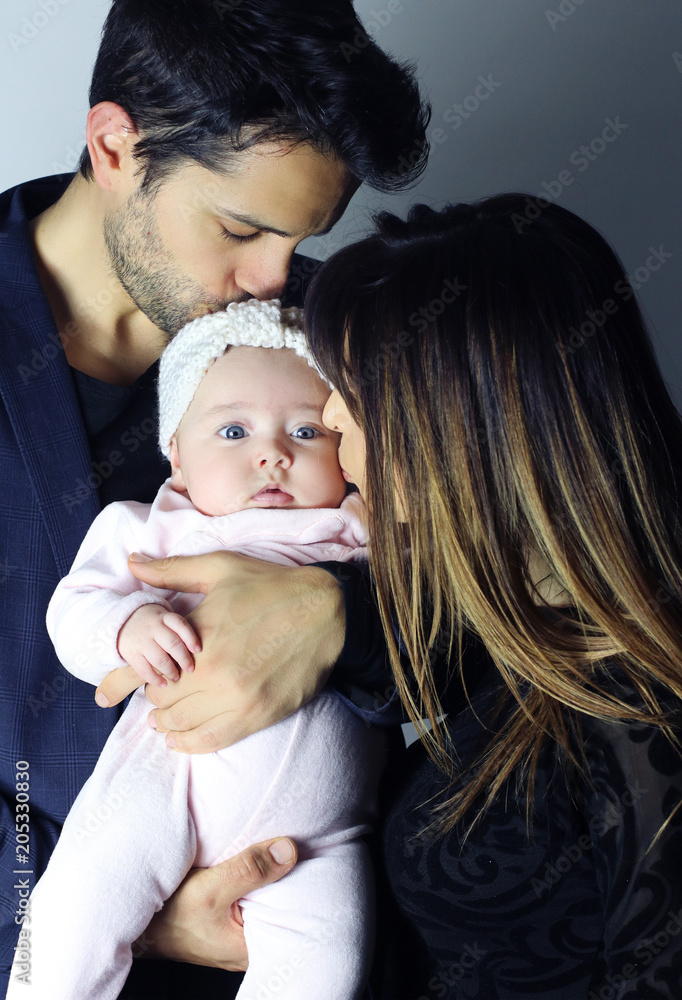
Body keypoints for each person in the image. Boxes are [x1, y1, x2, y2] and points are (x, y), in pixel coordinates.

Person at [0, 0, 428, 994]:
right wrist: (109, 914)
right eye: (241, 227)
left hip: (307, 916)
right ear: (116, 146)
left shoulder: (339, 340)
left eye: (304, 236)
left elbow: (515, 616)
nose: (275, 280)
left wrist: (343, 616)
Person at [299, 195, 682, 998]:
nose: (328, 415)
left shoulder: (647, 709)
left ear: (464, 422)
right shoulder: (524, 639)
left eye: (354, 389)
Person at [8, 299, 383, 1000]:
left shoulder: (358, 528)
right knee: (77, 905)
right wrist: (128, 626)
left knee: (329, 965)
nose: (272, 454)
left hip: (321, 839)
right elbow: (72, 611)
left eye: (306, 430)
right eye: (233, 431)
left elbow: (437, 623)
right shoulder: (151, 531)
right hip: (165, 784)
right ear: (176, 453)